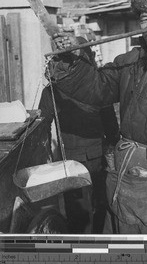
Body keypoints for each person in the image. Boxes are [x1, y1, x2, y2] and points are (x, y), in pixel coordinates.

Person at [44, 0, 147, 234]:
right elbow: (95, 89)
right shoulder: (130, 61)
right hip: (125, 183)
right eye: (145, 18)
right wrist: (68, 59)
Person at [39, 37, 120, 234]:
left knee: (78, 211)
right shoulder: (96, 89)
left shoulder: (51, 91)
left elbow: (43, 126)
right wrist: (113, 147)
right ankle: (100, 240)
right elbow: (110, 123)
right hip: (97, 157)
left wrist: (47, 154)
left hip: (71, 161)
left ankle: (81, 246)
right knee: (101, 203)